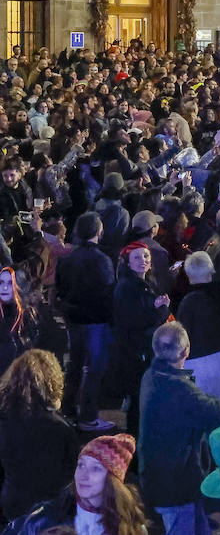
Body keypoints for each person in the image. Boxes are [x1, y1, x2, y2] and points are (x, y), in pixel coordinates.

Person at [138, 322, 220, 535]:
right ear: (186, 351)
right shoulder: (180, 389)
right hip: (175, 487)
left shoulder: (152, 375)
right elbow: (219, 413)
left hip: (164, 478)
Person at [2, 433, 144, 535]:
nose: (83, 475)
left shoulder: (131, 523)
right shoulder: (45, 518)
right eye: (81, 465)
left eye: (95, 469)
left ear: (113, 480)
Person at [0, 349, 78, 520]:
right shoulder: (61, 428)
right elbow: (71, 471)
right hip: (50, 507)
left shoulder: (4, 419)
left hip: (13, 502)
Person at [55, 211, 115, 431]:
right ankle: (88, 416)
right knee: (94, 369)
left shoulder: (67, 258)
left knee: (75, 366)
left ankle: (68, 411)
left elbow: (60, 288)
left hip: (74, 319)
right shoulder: (103, 260)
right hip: (96, 321)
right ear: (99, 231)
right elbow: (108, 293)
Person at [110, 240, 170, 435]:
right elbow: (136, 321)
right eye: (136, 257)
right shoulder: (128, 287)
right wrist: (160, 310)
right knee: (137, 400)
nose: (143, 260)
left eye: (145, 256)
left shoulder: (143, 283)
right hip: (135, 352)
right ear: (127, 262)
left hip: (139, 350)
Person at [177, 251, 220, 400]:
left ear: (188, 273)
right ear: (211, 269)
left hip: (197, 363)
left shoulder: (188, 301)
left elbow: (183, 335)